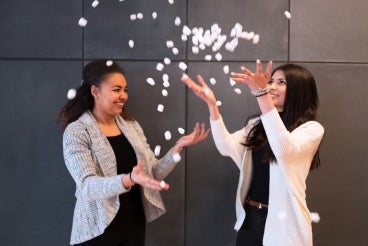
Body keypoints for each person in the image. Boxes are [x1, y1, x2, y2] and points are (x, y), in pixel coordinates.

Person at [58, 60, 210, 246]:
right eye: (116, 90)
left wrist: (177, 148)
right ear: (95, 91)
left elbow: (150, 174)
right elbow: (87, 187)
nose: (123, 96)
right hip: (96, 230)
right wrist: (129, 179)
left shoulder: (130, 126)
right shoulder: (77, 131)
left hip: (133, 226)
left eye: (125, 90)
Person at [181, 60, 324, 246]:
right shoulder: (257, 124)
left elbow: (283, 149)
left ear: (300, 90)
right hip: (251, 218)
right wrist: (212, 106)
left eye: (281, 82)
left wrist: (261, 93)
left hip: (285, 223)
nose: (271, 86)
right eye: (271, 81)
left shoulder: (312, 129)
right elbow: (226, 146)